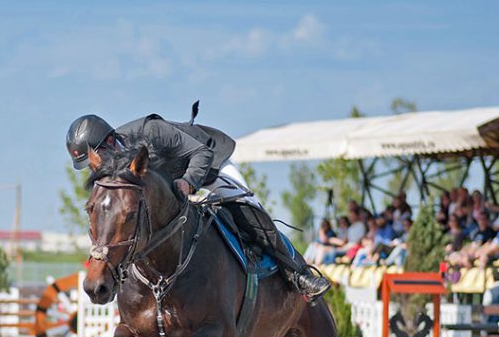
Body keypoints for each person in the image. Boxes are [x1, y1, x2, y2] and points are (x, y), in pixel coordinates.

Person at [66, 114, 329, 302]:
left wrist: (189, 183)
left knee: (249, 208)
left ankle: (299, 274)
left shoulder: (151, 131)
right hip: (172, 187)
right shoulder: (114, 168)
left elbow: (201, 154)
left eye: (97, 157)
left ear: (111, 142)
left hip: (208, 166)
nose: (96, 166)